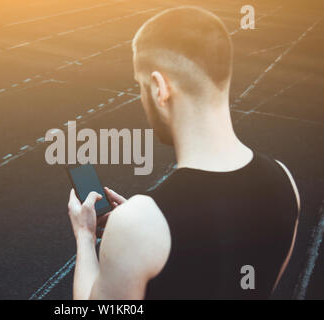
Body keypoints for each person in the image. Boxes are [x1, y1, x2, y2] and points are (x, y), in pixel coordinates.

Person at [66, 6, 300, 299]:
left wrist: (86, 237)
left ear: (158, 87)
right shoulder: (285, 183)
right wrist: (143, 224)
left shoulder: (137, 226)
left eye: (140, 86)